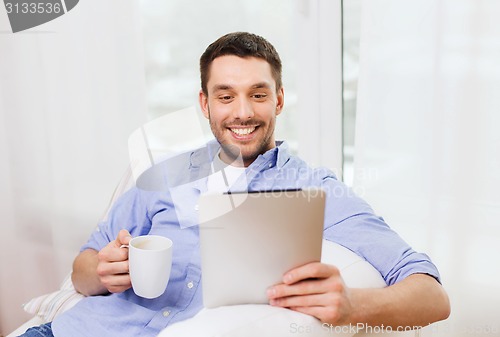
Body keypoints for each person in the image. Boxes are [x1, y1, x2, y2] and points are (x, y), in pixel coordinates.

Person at [18, 32, 450, 337]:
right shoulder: (165, 175)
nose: (242, 112)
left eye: (258, 94)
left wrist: (353, 306)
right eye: (225, 96)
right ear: (205, 103)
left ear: (279, 99)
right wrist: (101, 270)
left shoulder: (314, 187)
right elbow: (82, 269)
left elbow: (432, 297)